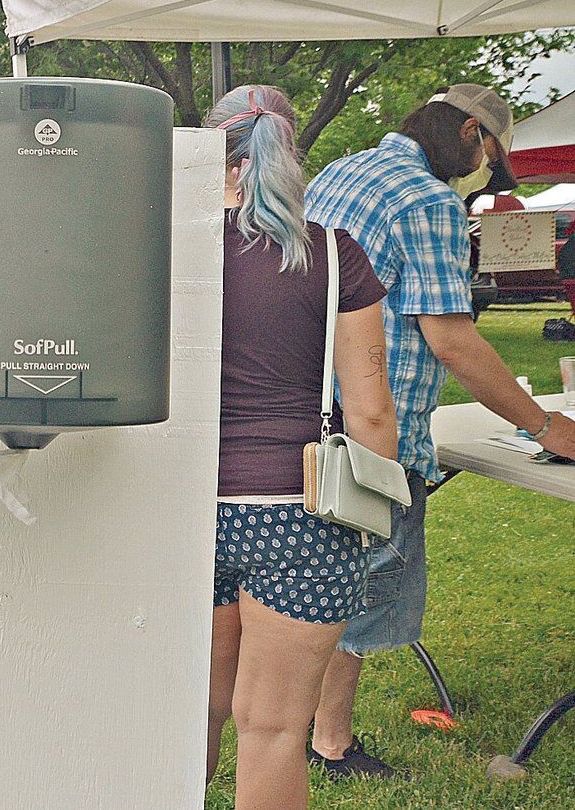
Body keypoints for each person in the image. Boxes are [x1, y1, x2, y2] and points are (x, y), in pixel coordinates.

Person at [304, 83, 575, 777]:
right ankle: (330, 743)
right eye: (491, 157)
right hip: (373, 429)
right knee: (361, 591)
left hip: (308, 408)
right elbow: (451, 339)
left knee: (313, 580)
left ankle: (290, 718)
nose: (487, 176)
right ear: (468, 136)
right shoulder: (428, 203)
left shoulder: (345, 168)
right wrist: (545, 425)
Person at [205, 86, 399, 810]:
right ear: (291, 153)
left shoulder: (164, 252)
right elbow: (373, 412)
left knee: (190, 709)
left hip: (186, 507)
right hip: (302, 515)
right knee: (276, 730)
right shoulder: (332, 254)